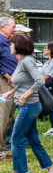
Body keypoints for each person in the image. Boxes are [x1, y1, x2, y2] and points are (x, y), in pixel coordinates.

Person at [4, 33, 53, 173]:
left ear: (18, 45)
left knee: (16, 139)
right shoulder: (22, 61)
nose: (10, 46)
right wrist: (12, 91)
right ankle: (51, 168)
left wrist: (25, 95)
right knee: (33, 140)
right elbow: (25, 82)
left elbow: (40, 81)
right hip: (26, 105)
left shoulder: (27, 61)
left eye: (11, 43)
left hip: (28, 106)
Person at [38, 42, 53, 136]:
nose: (44, 49)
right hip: (45, 86)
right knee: (50, 106)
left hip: (51, 86)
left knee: (52, 105)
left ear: (50, 50)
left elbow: (47, 75)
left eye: (45, 48)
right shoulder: (48, 61)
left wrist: (37, 84)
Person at [0, 16, 16, 156]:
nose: (14, 30)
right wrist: (4, 72)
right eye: (13, 27)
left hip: (10, 84)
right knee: (2, 116)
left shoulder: (6, 42)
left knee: (8, 116)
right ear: (2, 27)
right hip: (3, 84)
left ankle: (4, 148)